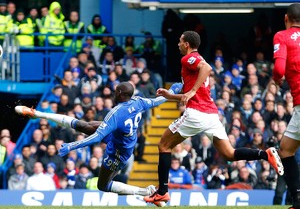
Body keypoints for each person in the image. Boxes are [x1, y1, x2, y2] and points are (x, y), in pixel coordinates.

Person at [143, 30, 284, 206]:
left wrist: (192, 91)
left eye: (180, 41)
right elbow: (192, 94)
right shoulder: (193, 63)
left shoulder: (188, 58)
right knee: (229, 154)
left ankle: (162, 192)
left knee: (163, 145)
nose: (178, 44)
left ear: (187, 44)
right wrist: (171, 96)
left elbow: (207, 68)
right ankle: (265, 154)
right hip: (210, 114)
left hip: (196, 113)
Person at [15, 82, 183, 196]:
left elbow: (97, 138)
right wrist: (174, 90)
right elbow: (156, 101)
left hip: (119, 151)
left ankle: (144, 192)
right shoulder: (138, 101)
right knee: (84, 126)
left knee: (102, 185)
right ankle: (37, 114)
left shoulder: (116, 113)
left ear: (119, 93)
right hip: (119, 136)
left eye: (115, 90)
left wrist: (71, 146)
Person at [271, 3, 300, 209]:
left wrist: (277, 80)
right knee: (286, 148)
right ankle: (297, 204)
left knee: (287, 151)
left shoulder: (282, 36)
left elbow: (279, 68)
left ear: (286, 18)